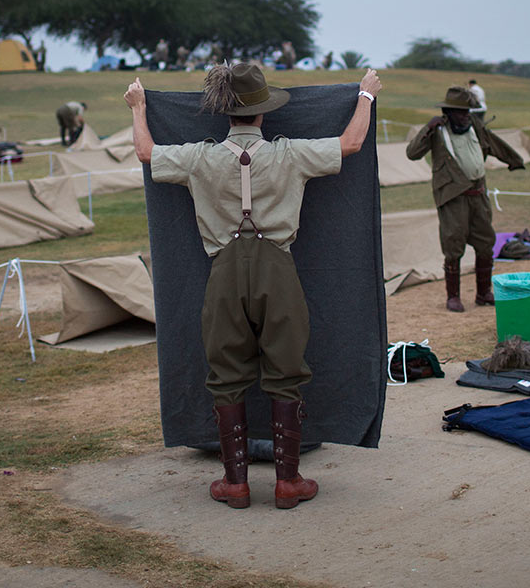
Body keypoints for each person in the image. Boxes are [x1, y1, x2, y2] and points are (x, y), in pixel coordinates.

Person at [126, 63, 383, 510]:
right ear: (263, 114)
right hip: (278, 269)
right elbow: (352, 143)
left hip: (222, 270)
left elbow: (146, 153)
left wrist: (139, 106)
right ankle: (288, 482)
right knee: (286, 372)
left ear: (227, 114)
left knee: (225, 375)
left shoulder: (200, 157)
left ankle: (235, 484)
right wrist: (365, 96)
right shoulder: (290, 154)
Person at [406, 85, 526, 312]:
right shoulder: (438, 132)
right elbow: (412, 153)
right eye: (460, 112)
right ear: (449, 112)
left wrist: (514, 160)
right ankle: (453, 297)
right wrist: (427, 128)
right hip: (453, 196)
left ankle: (483, 293)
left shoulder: (475, 127)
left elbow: (495, 144)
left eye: (468, 111)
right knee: (453, 243)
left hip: (478, 194)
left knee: (485, 241)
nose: (465, 115)